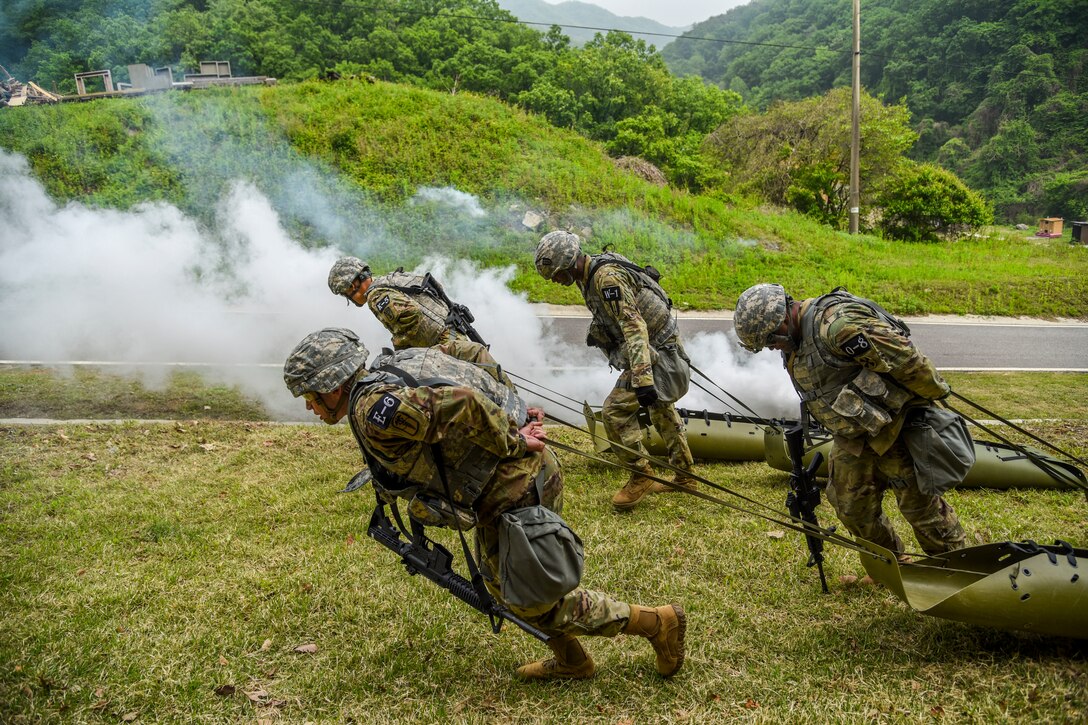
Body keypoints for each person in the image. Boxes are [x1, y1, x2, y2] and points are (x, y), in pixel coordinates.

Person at [283, 327, 687, 681]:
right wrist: (514, 409)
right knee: (507, 583)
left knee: (533, 602)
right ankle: (571, 659)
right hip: (508, 482)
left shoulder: (373, 408)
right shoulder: (393, 364)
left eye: (311, 397)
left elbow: (462, 403)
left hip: (514, 485)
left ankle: (656, 623)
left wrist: (514, 437)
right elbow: (473, 357)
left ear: (333, 385)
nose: (309, 407)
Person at [733, 283, 967, 556]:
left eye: (772, 340)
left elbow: (907, 361)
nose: (773, 348)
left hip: (894, 429)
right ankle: (892, 564)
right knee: (851, 506)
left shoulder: (838, 327)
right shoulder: (793, 340)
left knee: (920, 508)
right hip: (853, 436)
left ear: (784, 318)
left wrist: (934, 395)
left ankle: (956, 568)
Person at [534, 231, 696, 511]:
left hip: (652, 350)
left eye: (558, 274)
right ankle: (685, 476)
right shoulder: (590, 275)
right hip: (655, 346)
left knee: (614, 411)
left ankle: (641, 473)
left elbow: (635, 327)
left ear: (570, 262)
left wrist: (643, 379)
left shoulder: (605, 279)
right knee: (661, 409)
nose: (557, 281)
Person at [327, 257, 475, 349]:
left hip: (446, 345)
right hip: (454, 333)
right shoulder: (393, 279)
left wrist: (400, 347)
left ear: (351, 287)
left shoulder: (375, 296)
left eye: (345, 294)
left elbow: (410, 314)